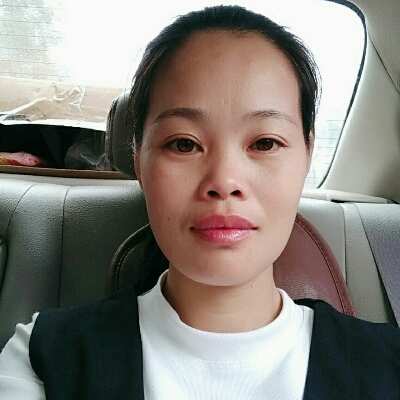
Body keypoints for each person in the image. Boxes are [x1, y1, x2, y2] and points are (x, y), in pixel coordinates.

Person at [0, 5, 399, 400]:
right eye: (183, 144)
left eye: (264, 143)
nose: (224, 181)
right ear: (138, 158)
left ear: (307, 155)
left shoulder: (389, 364)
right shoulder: (43, 359)